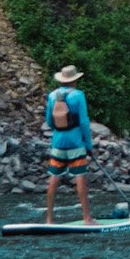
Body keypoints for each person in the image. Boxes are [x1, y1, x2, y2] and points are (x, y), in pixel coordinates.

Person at [43, 65, 96, 227]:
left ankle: (49, 219)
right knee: (80, 177)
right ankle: (87, 218)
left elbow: (49, 121)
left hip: (58, 142)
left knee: (54, 177)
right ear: (74, 80)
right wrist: (88, 144)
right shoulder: (78, 95)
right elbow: (84, 122)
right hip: (75, 143)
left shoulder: (52, 96)